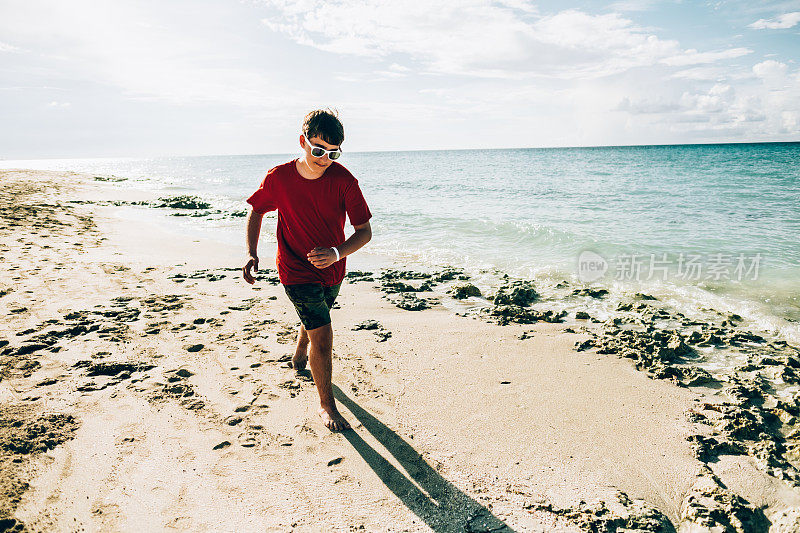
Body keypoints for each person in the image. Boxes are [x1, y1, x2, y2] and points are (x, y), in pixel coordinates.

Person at [242, 109, 372, 431]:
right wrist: (251, 253)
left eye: (333, 152)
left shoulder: (344, 181)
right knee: (324, 335)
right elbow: (257, 211)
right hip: (294, 270)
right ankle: (326, 406)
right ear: (303, 142)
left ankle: (300, 354)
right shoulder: (279, 178)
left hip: (333, 270)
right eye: (318, 150)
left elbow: (364, 231)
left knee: (317, 317)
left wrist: (337, 253)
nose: (324, 158)